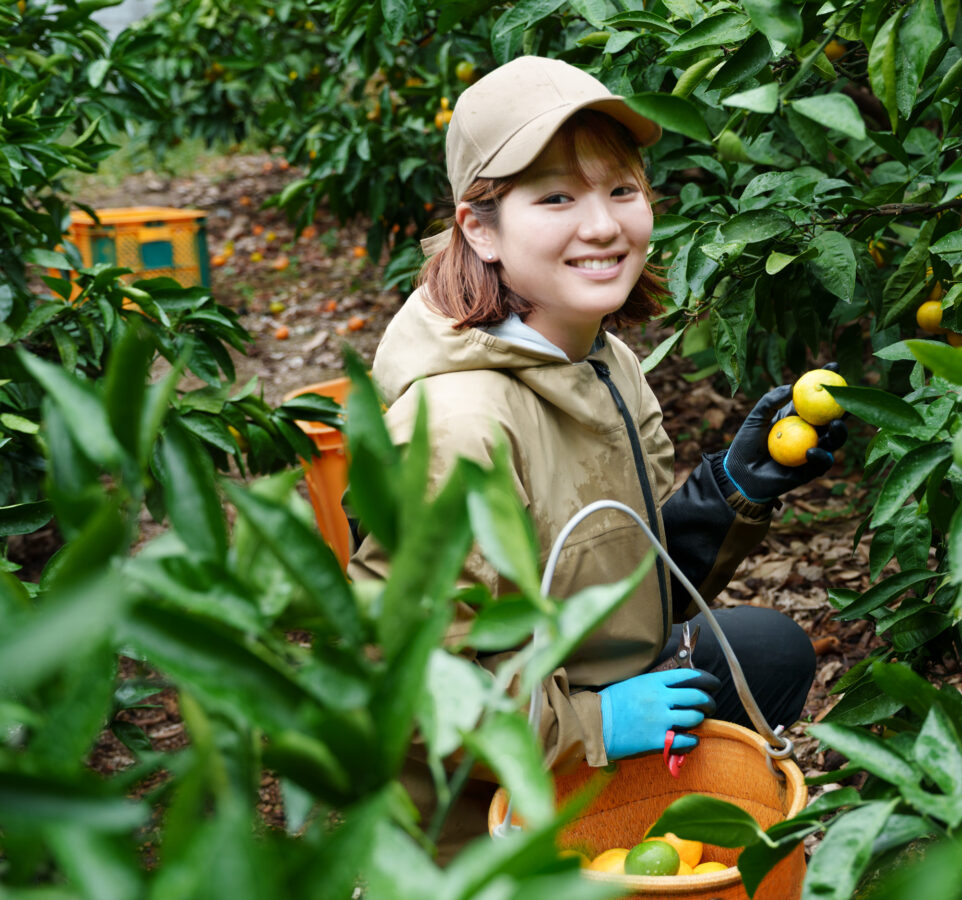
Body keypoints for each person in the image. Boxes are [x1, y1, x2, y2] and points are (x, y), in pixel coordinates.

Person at [348, 55, 847, 858]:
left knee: (766, 652)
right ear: (481, 226)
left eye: (621, 189)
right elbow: (404, 688)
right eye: (555, 198)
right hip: (487, 794)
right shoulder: (454, 428)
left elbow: (623, 573)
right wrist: (595, 727)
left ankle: (643, 819)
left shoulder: (603, 360)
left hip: (581, 686)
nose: (604, 225)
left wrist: (734, 490)